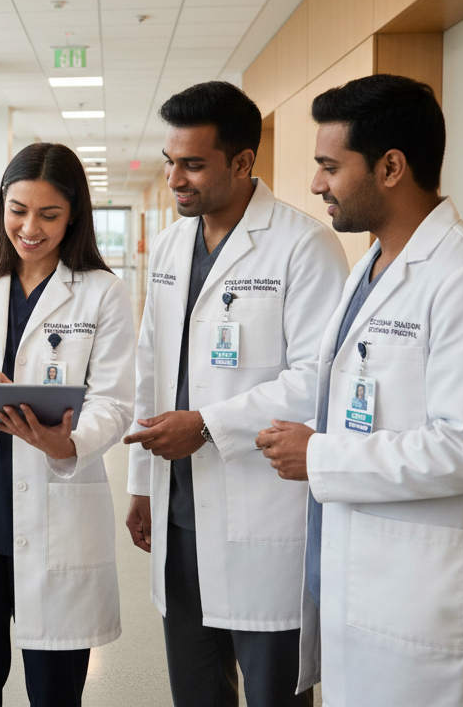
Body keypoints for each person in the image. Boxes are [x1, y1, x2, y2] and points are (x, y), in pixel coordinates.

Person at [256, 74, 463, 707]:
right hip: (369, 575)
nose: (315, 184)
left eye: (330, 166)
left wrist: (320, 456)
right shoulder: (371, 266)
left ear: (391, 167)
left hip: (429, 592)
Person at [123, 82, 348, 707]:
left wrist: (205, 423)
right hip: (178, 510)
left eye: (193, 164)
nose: (175, 179)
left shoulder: (303, 246)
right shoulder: (171, 245)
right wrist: (140, 482)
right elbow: (152, 366)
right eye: (171, 162)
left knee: (274, 692)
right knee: (196, 690)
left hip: (262, 506)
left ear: (243, 162)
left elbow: (315, 379)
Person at [0, 142, 135, 707]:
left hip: (55, 508)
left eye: (49, 214)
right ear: (1, 206)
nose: (29, 228)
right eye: (17, 210)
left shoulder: (103, 293)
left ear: (74, 216)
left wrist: (68, 444)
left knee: (55, 694)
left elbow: (115, 402)